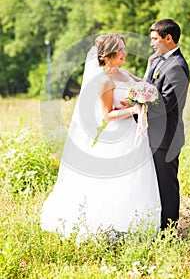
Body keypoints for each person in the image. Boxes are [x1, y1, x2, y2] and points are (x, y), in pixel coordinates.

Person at [40, 33, 161, 242]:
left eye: (124, 48)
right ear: (108, 54)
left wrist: (149, 75)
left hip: (134, 134)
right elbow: (108, 115)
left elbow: (148, 87)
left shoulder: (125, 73)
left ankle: (135, 224)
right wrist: (134, 109)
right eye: (120, 49)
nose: (125, 53)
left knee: (136, 178)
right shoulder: (104, 81)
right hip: (117, 135)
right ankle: (111, 225)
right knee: (117, 180)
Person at [144, 18, 190, 231]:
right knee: (155, 185)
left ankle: (168, 233)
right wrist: (148, 67)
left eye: (155, 39)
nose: (152, 43)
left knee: (167, 187)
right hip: (153, 135)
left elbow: (163, 105)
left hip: (166, 139)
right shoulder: (160, 60)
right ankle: (157, 226)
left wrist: (134, 109)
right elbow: (148, 88)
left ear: (168, 38)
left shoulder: (177, 67)